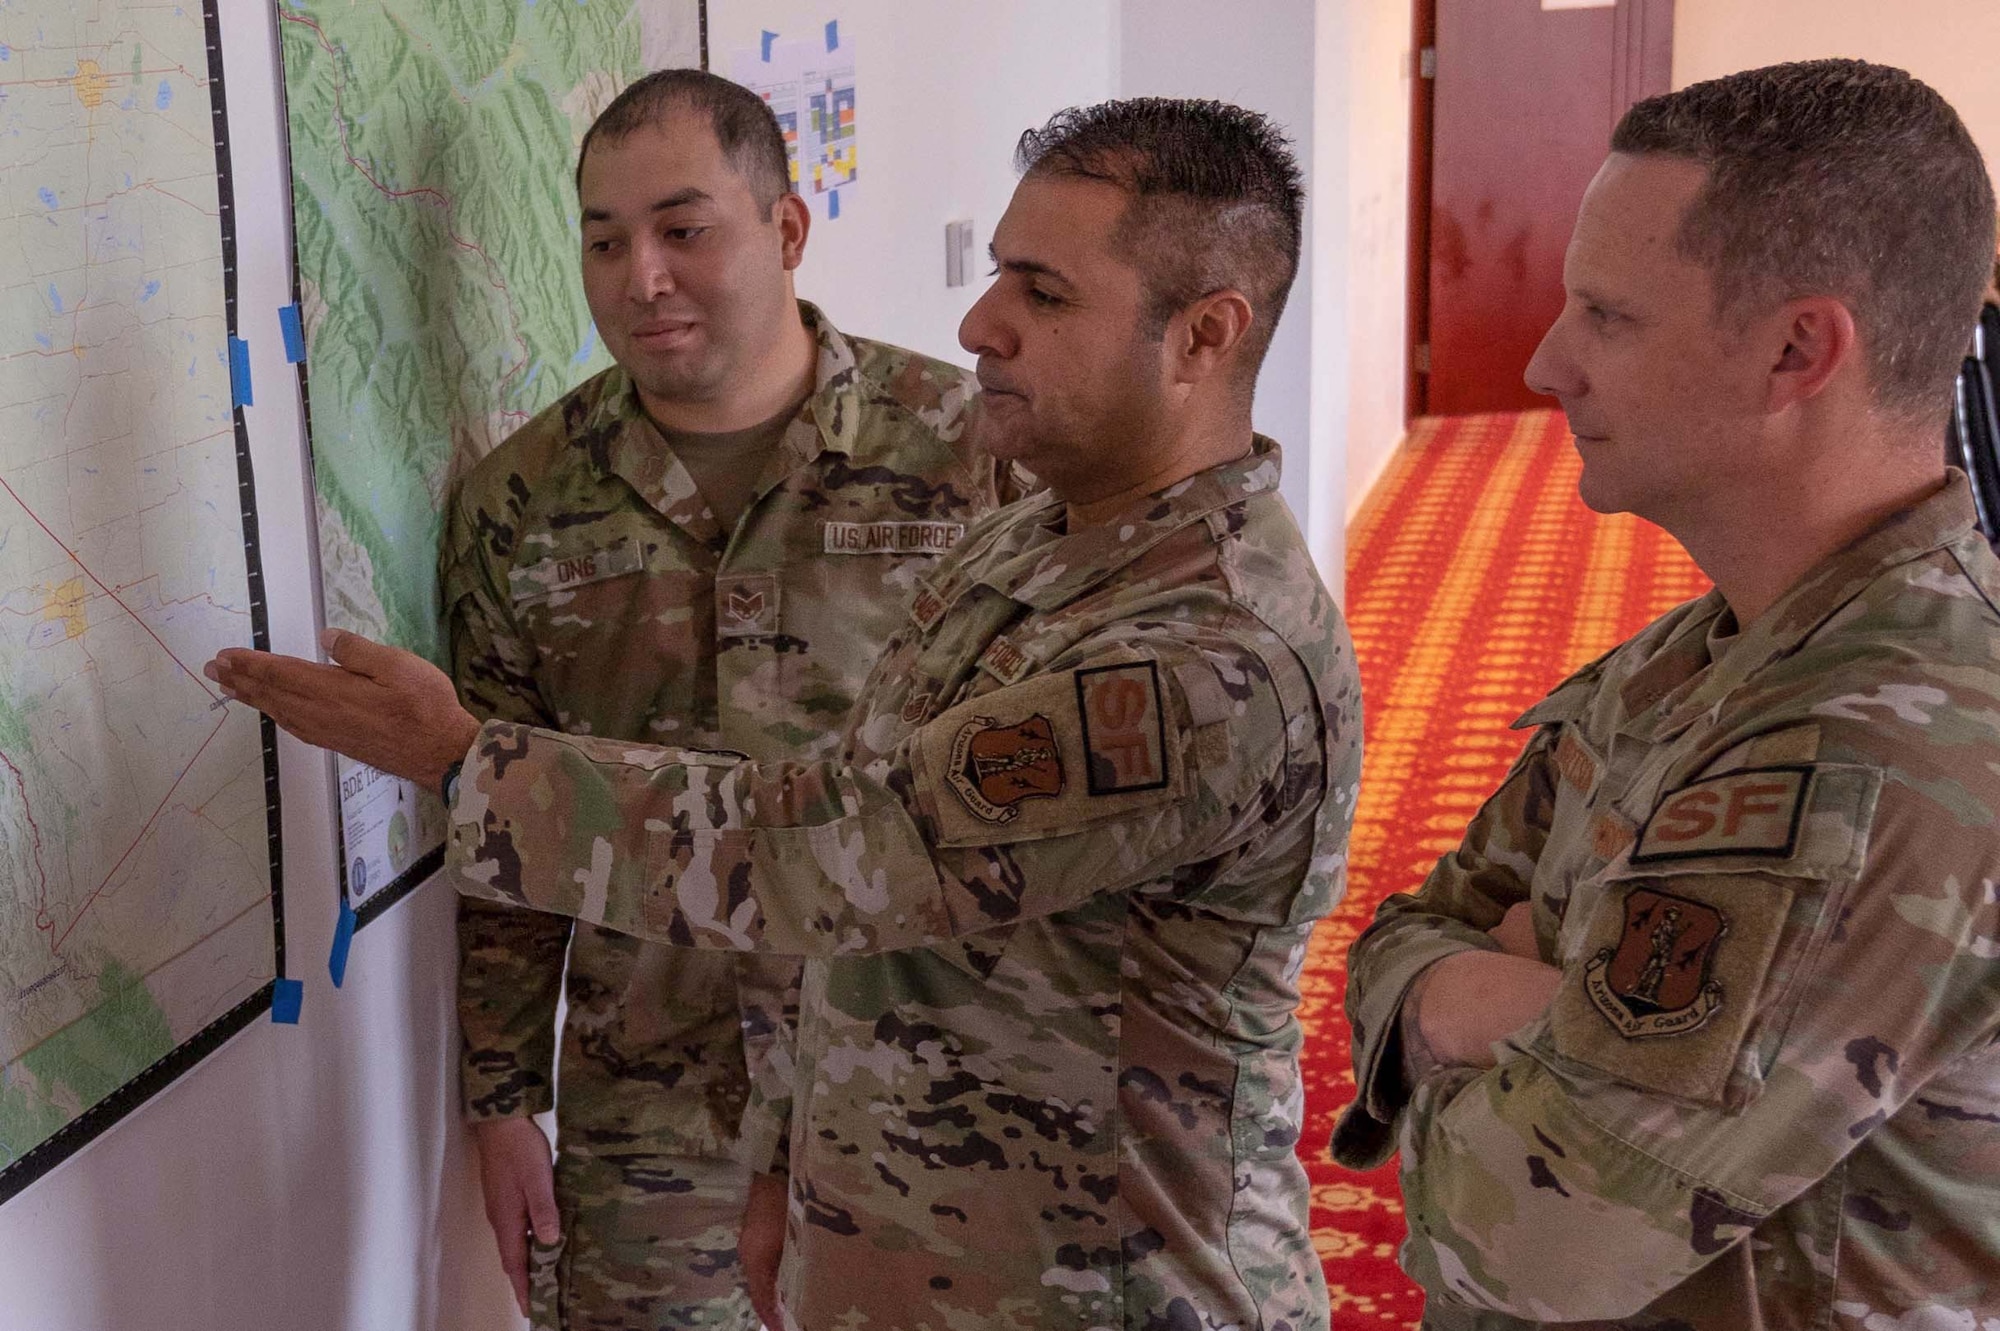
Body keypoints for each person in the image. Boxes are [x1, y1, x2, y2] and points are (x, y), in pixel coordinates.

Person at [208, 97, 1362, 1330]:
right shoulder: (1039, 539)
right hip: (899, 1234)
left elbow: (838, 848)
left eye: (1043, 292)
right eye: (995, 279)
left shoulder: (1198, 657)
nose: (981, 323)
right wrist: (789, 1161)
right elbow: (869, 921)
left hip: (1095, 1284)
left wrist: (460, 760)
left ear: (1201, 336)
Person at [1330, 60, 2000, 1326]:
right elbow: (1413, 926)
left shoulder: (1873, 763)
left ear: (1797, 350)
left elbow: (1532, 1231)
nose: (1543, 364)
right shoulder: (1706, 648)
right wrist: (1480, 990)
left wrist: (1479, 998)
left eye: (1606, 316)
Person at [445, 69, 1018, 1330]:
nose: (639, 276)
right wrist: (500, 1099)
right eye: (604, 240)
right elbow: (497, 829)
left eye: (682, 230)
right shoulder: (519, 502)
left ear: (787, 230)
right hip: (651, 1098)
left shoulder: (965, 454)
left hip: (926, 1080)